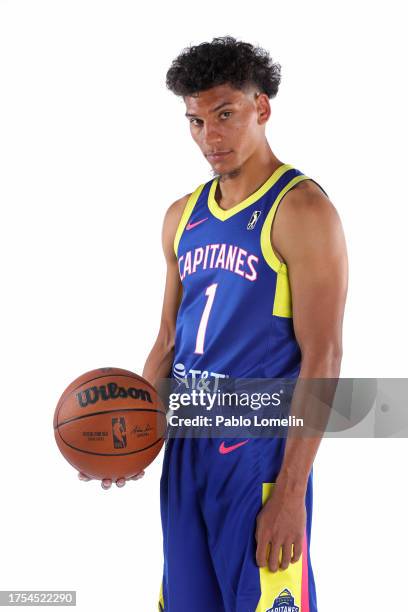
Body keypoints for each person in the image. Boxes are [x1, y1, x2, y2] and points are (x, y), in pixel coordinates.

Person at [81, 36, 348, 612]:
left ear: (261, 108)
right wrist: (135, 435)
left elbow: (324, 357)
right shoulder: (182, 215)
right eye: (196, 121)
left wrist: (292, 493)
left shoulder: (302, 211)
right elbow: (167, 341)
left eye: (225, 115)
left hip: (259, 452)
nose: (211, 137)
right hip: (186, 447)